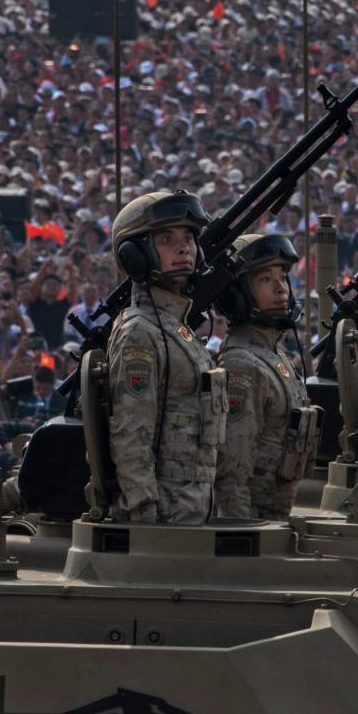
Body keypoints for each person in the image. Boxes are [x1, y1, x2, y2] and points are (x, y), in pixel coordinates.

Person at [106, 190, 226, 524]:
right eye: (167, 239)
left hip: (192, 511)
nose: (183, 248)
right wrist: (144, 515)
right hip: (165, 520)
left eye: (188, 238)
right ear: (136, 256)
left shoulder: (178, 329)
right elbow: (131, 432)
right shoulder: (140, 332)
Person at [214, 233, 322, 520]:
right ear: (238, 294)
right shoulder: (241, 365)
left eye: (282, 277)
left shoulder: (273, 354)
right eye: (264, 279)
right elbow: (232, 474)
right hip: (255, 523)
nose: (280, 287)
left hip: (276, 516)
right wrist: (241, 537)